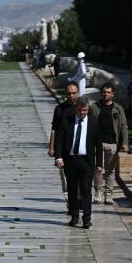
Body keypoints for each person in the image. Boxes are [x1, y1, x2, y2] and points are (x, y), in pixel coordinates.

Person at [55, 97, 102, 229]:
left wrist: (99, 163)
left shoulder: (94, 122)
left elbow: (98, 144)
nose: (82, 113)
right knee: (72, 189)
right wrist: (58, 157)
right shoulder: (67, 121)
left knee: (87, 190)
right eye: (80, 110)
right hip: (71, 161)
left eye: (85, 110)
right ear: (76, 109)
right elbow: (60, 140)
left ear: (88, 109)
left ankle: (87, 218)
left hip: (87, 161)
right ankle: (74, 216)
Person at [91, 83, 128, 204]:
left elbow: (123, 126)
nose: (105, 94)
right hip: (98, 143)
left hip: (112, 143)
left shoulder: (118, 108)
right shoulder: (94, 107)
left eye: (108, 92)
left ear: (113, 94)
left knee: (110, 170)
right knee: (97, 169)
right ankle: (98, 191)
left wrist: (125, 142)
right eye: (104, 92)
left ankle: (108, 194)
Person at [48, 83, 79, 203]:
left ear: (78, 92)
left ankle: (78, 200)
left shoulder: (83, 109)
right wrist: (51, 147)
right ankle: (69, 200)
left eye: (74, 93)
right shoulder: (59, 109)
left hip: (79, 148)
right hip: (63, 147)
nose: (71, 96)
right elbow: (54, 129)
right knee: (66, 178)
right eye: (69, 93)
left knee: (80, 178)